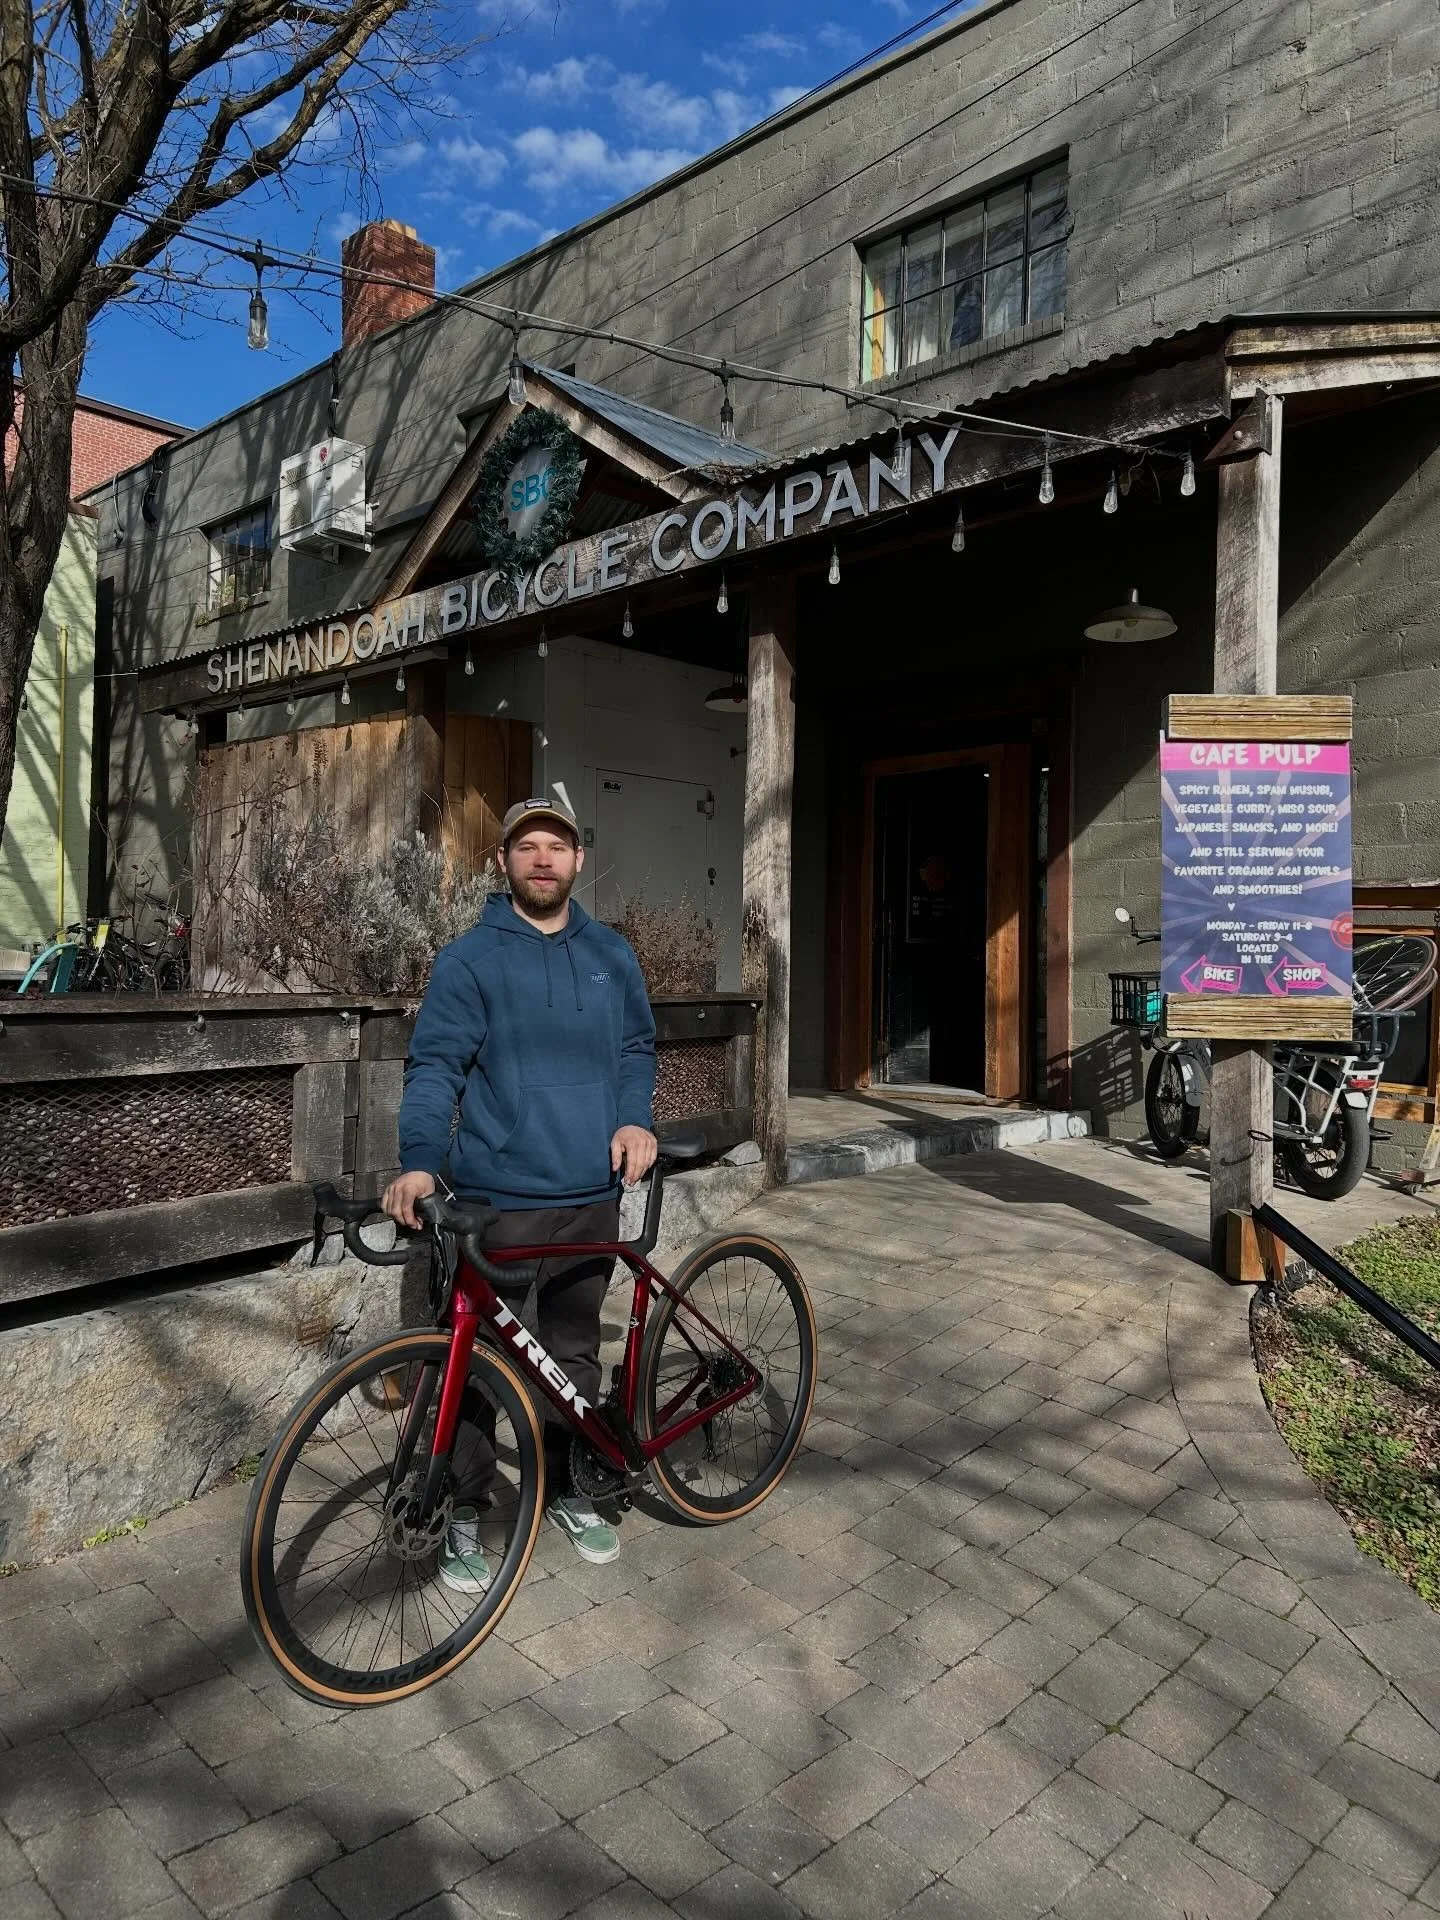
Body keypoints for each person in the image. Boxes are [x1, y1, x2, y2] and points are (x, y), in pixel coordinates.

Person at [383, 795, 657, 1589]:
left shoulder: (612, 954)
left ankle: (571, 1484)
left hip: (590, 1193)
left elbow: (638, 1046)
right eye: (527, 846)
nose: (543, 858)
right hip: (497, 1200)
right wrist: (419, 1162)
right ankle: (464, 1506)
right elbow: (434, 1066)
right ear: (503, 863)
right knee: (475, 1363)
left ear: (578, 861)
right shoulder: (472, 959)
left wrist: (634, 1120)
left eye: (557, 846)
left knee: (572, 1349)